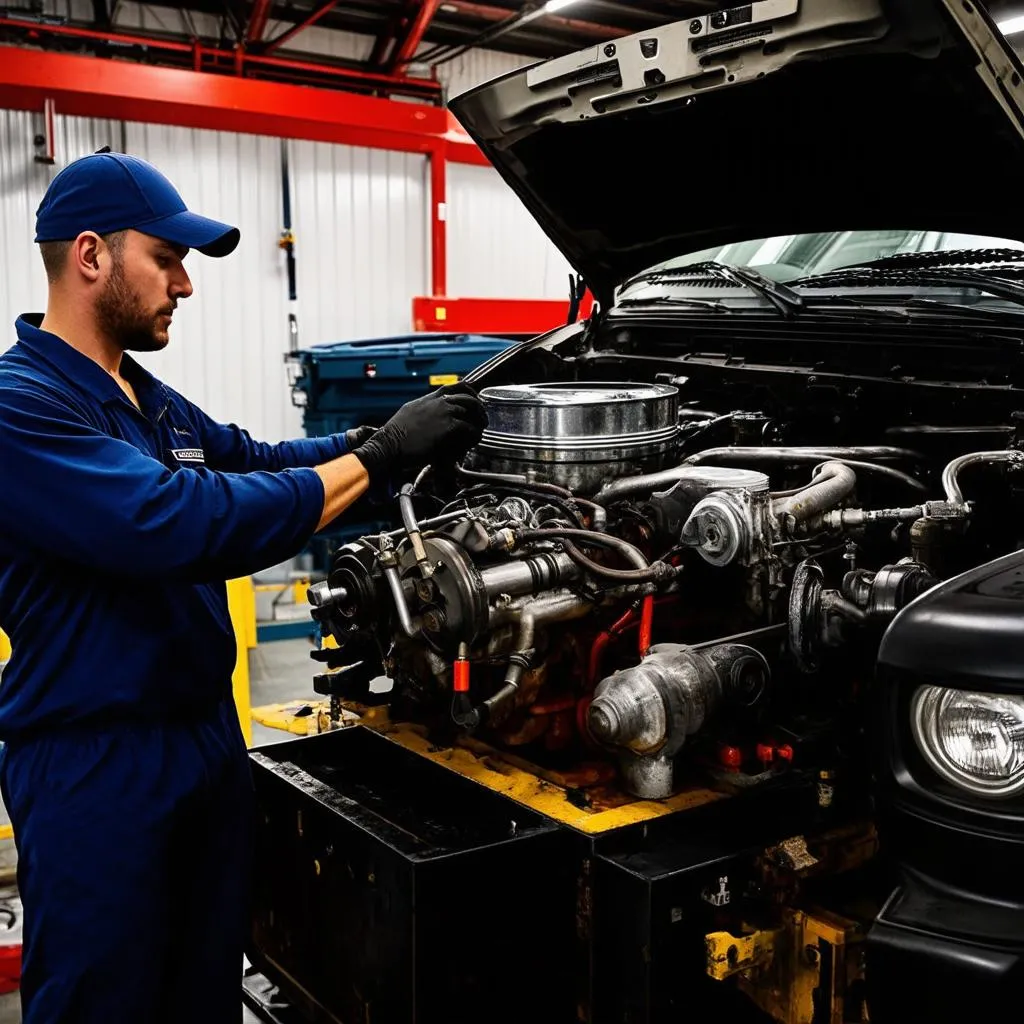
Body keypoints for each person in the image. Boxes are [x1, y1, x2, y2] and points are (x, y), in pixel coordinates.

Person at [0, 151, 487, 1023]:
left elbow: (257, 462)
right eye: (167, 259)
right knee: (100, 1001)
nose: (185, 285)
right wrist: (375, 461)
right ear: (90, 256)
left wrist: (386, 444)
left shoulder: (151, 401)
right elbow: (175, 520)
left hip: (203, 746)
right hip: (96, 764)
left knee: (200, 992)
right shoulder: (20, 406)